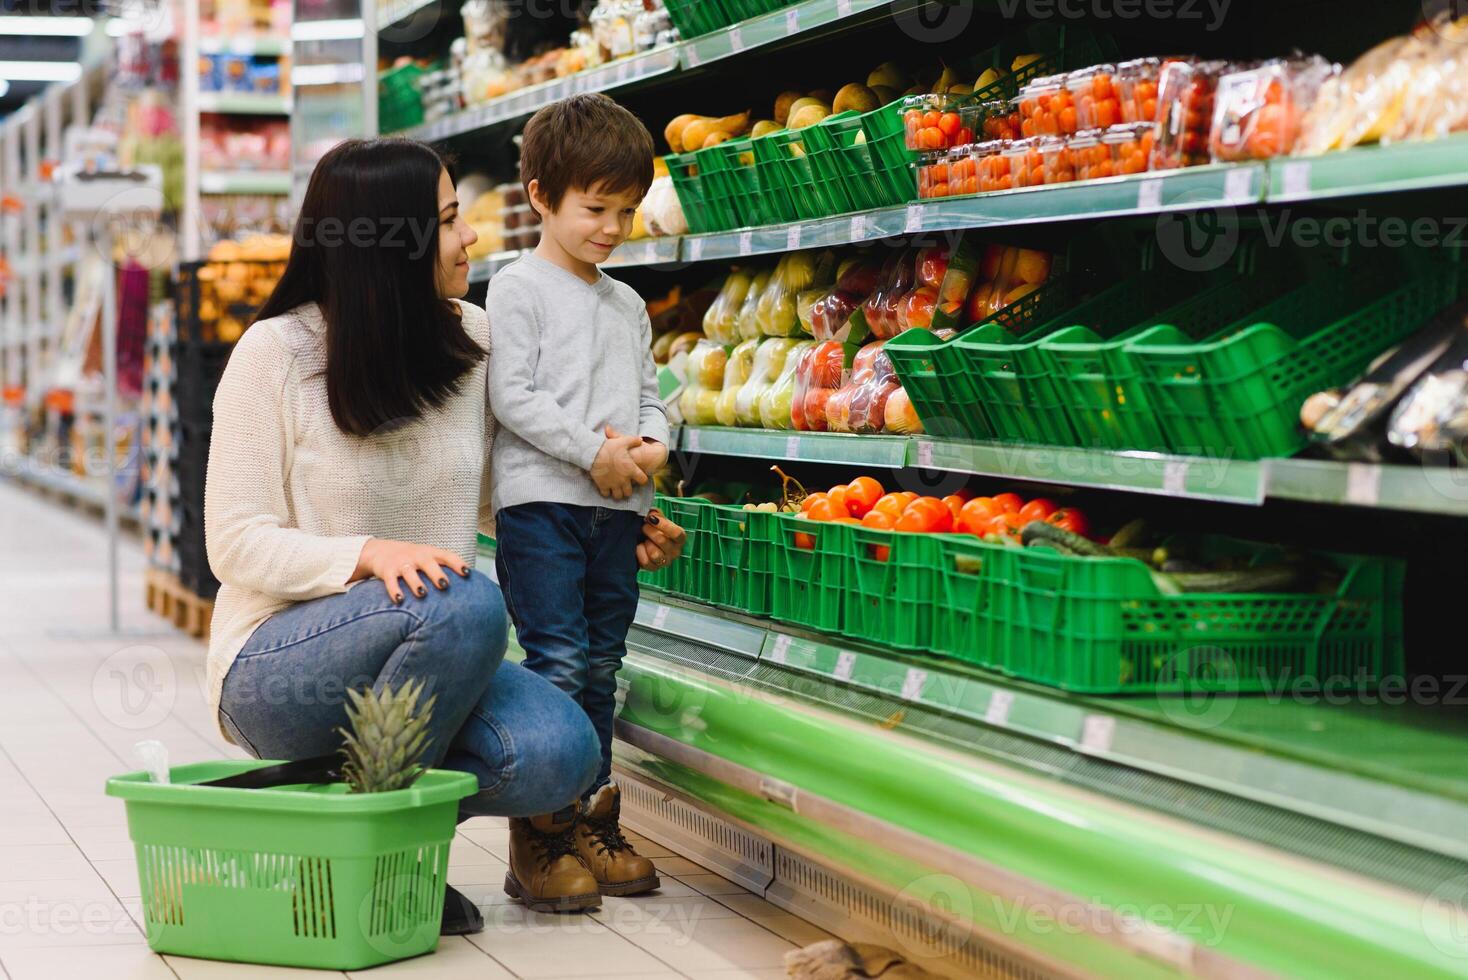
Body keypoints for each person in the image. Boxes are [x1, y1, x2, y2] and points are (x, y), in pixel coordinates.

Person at [203, 137, 686, 935]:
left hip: (430, 664)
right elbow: (236, 542)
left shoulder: (474, 339)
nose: (472, 240)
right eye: (450, 221)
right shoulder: (276, 354)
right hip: (280, 665)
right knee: (465, 603)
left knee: (564, 752)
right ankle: (383, 862)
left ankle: (348, 802)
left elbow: (504, 501)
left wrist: (612, 523)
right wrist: (365, 555)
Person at [485, 93, 670, 913]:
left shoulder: (627, 305)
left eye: (627, 211)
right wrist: (592, 452)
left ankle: (594, 814)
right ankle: (540, 830)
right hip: (543, 507)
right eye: (595, 208)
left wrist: (656, 448)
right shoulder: (516, 289)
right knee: (557, 659)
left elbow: (652, 396)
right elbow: (511, 396)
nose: (613, 228)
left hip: (617, 510)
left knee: (602, 664)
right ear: (539, 197)